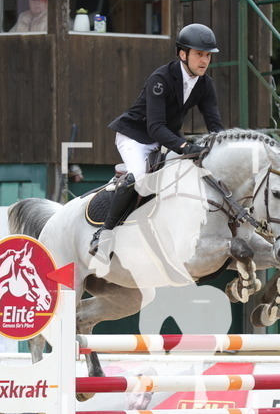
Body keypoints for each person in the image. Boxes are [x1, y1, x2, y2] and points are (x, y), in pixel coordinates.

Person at [89, 23, 225, 262]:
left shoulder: (205, 85)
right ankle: (105, 233)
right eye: (199, 54)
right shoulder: (160, 78)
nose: (204, 60)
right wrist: (185, 147)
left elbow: (215, 125)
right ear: (182, 54)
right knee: (140, 177)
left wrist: (222, 148)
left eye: (207, 55)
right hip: (135, 136)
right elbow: (154, 127)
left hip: (164, 139)